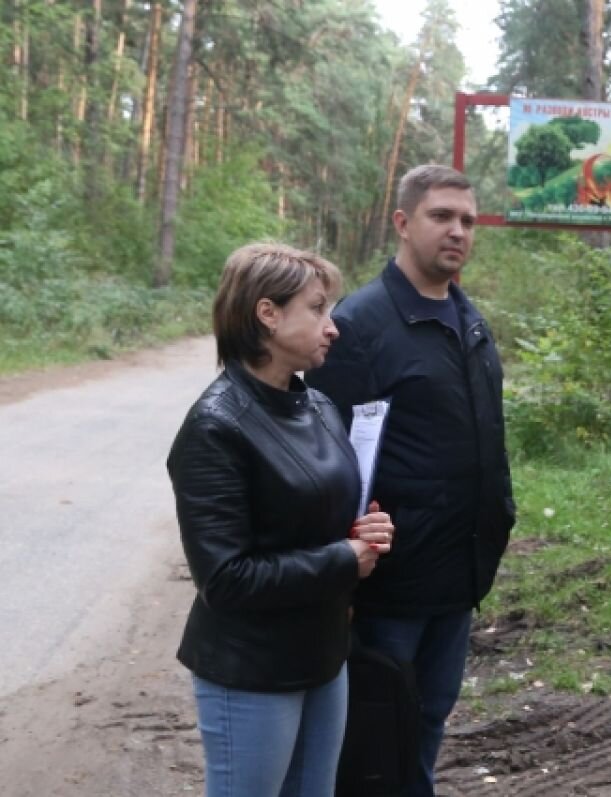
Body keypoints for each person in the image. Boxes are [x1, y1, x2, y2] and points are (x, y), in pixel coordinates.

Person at [305, 164, 515, 797]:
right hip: (388, 587)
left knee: (425, 727)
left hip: (458, 576)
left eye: (469, 221)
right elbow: (324, 456)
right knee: (376, 743)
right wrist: (339, 572)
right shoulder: (360, 327)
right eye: (441, 216)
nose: (458, 231)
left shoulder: (468, 319)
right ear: (402, 222)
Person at [167, 242, 395, 797]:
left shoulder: (314, 404)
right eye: (317, 308)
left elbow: (322, 514)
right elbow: (225, 579)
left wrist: (362, 531)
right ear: (267, 314)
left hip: (323, 654)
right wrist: (343, 559)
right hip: (251, 667)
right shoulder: (215, 428)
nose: (332, 326)